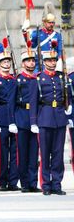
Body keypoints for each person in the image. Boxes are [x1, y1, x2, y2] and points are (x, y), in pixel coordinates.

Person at [29, 50, 71, 196]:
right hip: (45, 117)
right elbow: (33, 102)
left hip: (59, 117)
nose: (53, 63)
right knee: (45, 154)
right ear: (45, 62)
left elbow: (67, 94)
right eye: (50, 60)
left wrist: (68, 105)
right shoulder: (38, 79)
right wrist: (33, 122)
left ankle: (57, 183)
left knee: (58, 154)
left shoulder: (61, 77)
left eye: (54, 60)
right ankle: (46, 184)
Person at [12, 49, 41, 193]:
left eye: (33, 60)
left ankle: (33, 182)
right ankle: (24, 182)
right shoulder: (18, 79)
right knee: (23, 152)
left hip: (35, 118)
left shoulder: (37, 78)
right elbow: (12, 102)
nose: (31, 62)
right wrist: (13, 121)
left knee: (34, 153)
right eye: (28, 60)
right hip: (22, 116)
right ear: (23, 63)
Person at [0, 50, 19, 191]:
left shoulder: (15, 80)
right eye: (4, 62)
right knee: (3, 152)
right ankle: (2, 182)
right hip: (1, 117)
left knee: (15, 152)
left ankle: (13, 181)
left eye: (8, 62)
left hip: (14, 117)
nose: (7, 64)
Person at [22, 2, 62, 72]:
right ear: (44, 23)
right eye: (49, 23)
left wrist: (59, 62)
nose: (51, 24)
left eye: (53, 23)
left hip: (53, 63)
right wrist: (26, 34)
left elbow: (60, 50)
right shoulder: (37, 33)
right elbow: (31, 45)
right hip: (40, 62)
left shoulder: (57, 35)